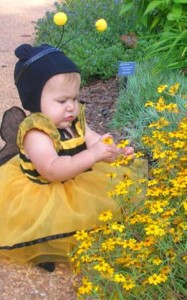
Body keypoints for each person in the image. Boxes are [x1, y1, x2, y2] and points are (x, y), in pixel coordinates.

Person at [0, 43, 140, 272]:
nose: (71, 108)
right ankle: (42, 245)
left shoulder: (73, 121)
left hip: (75, 178)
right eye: (62, 101)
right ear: (35, 101)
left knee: (100, 201)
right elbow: (53, 170)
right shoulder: (36, 133)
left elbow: (94, 140)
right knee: (43, 217)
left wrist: (115, 153)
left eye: (74, 99)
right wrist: (91, 156)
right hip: (44, 188)